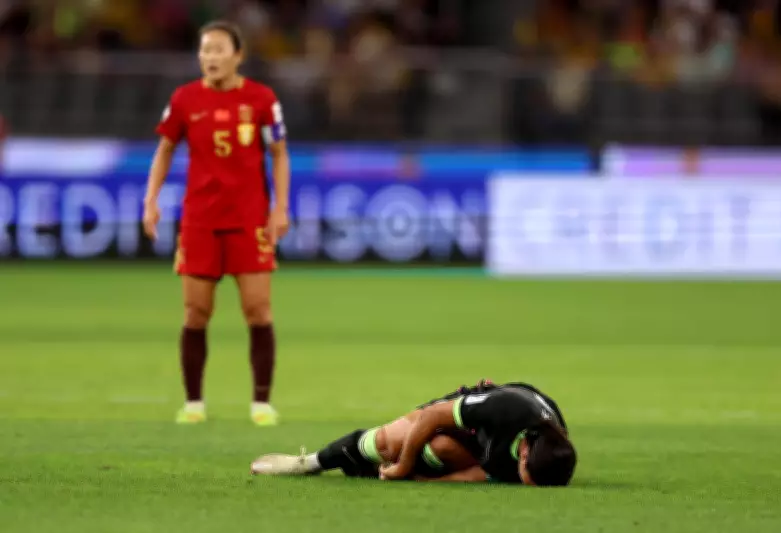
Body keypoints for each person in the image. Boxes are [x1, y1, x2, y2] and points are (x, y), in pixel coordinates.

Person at [142, 21, 291, 426]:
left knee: (258, 310)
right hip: (200, 220)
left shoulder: (261, 99)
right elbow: (165, 149)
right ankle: (194, 403)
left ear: (238, 55)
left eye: (218, 49)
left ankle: (261, 403)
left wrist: (280, 208)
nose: (210, 57)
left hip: (248, 220)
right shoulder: (185, 99)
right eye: (204, 50)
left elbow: (279, 153)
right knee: (195, 312)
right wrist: (151, 200)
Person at [252, 381, 577, 485]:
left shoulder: (553, 454)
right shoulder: (502, 409)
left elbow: (485, 471)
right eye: (523, 476)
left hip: (486, 441)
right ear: (524, 451)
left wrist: (434, 482)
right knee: (389, 443)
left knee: (441, 452)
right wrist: (405, 465)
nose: (522, 483)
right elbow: (433, 416)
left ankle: (373, 471)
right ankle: (310, 463)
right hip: (474, 413)